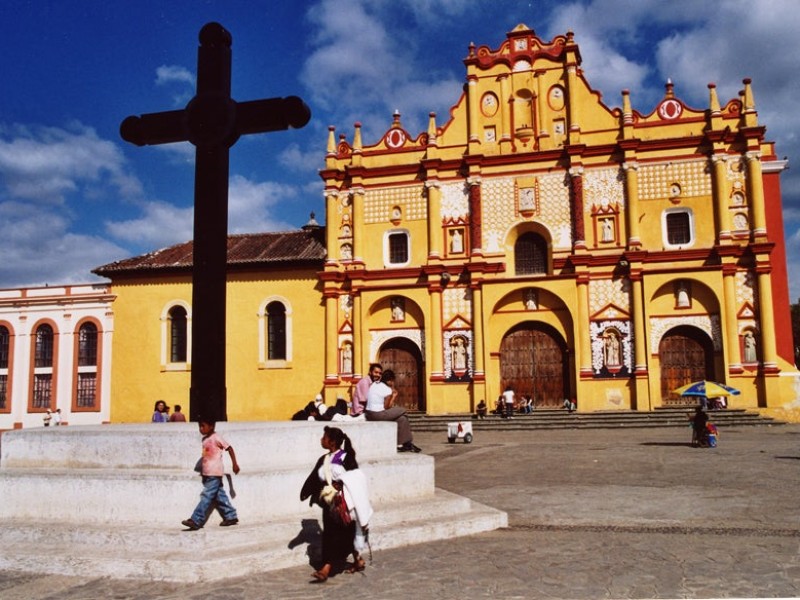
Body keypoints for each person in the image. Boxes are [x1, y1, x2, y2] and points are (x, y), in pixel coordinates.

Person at [300, 426, 373, 582]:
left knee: (343, 532)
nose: (322, 440)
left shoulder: (346, 457)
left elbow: (355, 477)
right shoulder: (324, 459)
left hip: (343, 504)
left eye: (324, 438)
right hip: (329, 504)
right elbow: (314, 477)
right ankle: (357, 560)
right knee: (332, 533)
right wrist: (306, 492)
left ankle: (326, 568)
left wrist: (340, 484)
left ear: (332, 442)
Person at [181, 419, 240, 530]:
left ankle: (196, 519)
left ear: (211, 426)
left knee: (206, 496)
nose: (201, 429)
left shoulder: (217, 437)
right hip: (208, 473)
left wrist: (235, 464)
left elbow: (229, 448)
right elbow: (206, 456)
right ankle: (231, 516)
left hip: (215, 472)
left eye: (203, 426)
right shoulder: (205, 439)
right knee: (219, 496)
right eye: (199, 426)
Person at [365, 369, 420, 453]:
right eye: (392, 381)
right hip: (378, 415)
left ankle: (404, 443)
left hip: (369, 413)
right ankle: (406, 443)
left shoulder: (374, 384)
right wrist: (394, 396)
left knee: (402, 419)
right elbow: (386, 407)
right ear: (390, 380)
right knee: (403, 410)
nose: (393, 383)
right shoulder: (387, 390)